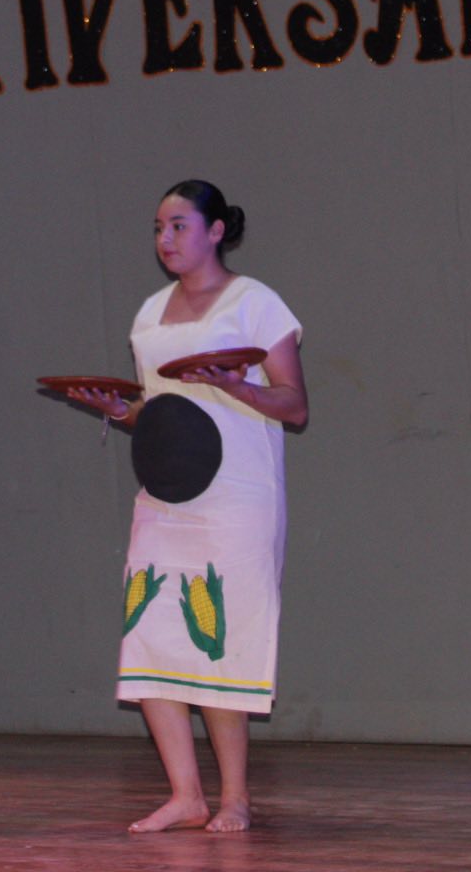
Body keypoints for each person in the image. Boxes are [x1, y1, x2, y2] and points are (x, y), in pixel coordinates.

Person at [65, 179, 306, 834]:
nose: (164, 239)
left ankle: (235, 799)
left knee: (217, 638)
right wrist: (123, 411)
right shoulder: (150, 313)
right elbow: (161, 410)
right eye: (157, 229)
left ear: (215, 230)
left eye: (178, 226)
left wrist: (238, 387)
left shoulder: (256, 303)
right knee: (151, 632)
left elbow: (294, 405)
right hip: (166, 495)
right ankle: (185, 795)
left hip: (236, 498)